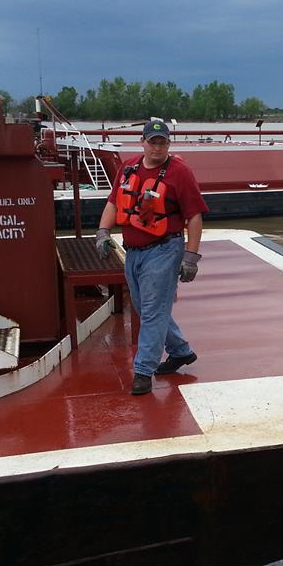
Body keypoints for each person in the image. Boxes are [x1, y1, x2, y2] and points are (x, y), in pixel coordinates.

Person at [96, 120, 208, 395]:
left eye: (163, 142)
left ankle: (144, 371)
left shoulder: (180, 173)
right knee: (146, 308)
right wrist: (102, 231)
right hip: (133, 252)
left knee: (154, 311)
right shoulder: (128, 168)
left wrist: (191, 257)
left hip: (165, 250)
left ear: (168, 145)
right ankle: (180, 351)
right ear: (143, 142)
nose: (157, 147)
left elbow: (194, 216)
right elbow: (114, 201)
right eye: (153, 141)